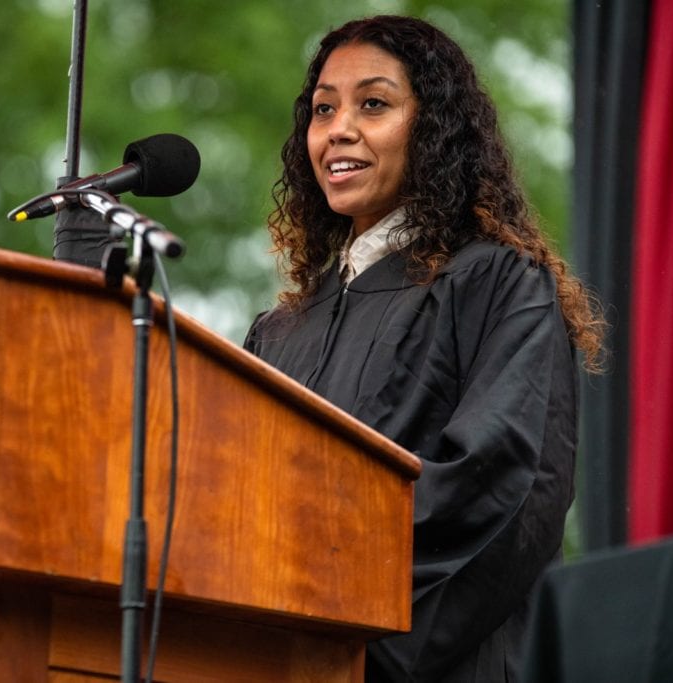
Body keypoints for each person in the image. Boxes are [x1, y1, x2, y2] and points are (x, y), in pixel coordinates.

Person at [243, 15, 605, 683]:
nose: (340, 129)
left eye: (373, 104)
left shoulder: (497, 283)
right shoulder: (280, 331)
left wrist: (355, 638)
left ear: (433, 128)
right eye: (324, 110)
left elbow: (505, 485)